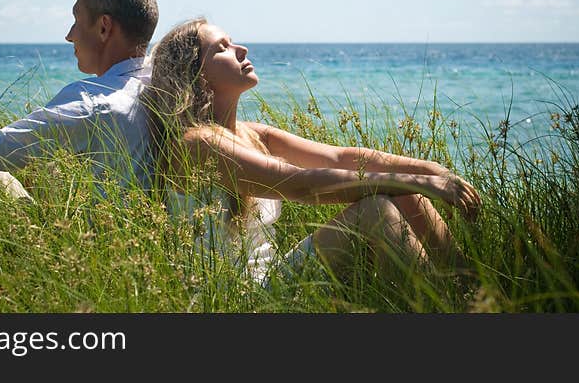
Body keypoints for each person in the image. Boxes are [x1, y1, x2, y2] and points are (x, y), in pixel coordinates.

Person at [143, 18, 481, 287]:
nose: (242, 49)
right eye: (223, 48)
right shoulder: (197, 143)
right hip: (241, 293)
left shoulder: (251, 133)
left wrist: (428, 170)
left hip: (273, 273)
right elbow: (300, 185)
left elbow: (339, 158)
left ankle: (471, 295)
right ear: (197, 74)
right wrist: (417, 182)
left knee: (405, 193)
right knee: (378, 205)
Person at [0, 0, 159, 199]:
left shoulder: (93, 103)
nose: (69, 35)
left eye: (77, 20)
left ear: (104, 27)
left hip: (90, 233)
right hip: (149, 228)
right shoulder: (162, 88)